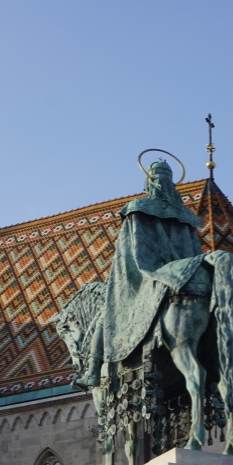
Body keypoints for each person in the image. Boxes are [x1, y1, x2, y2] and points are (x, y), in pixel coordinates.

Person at [75, 158, 205, 388]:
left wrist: (123, 281)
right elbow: (195, 252)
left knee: (106, 316)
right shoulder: (187, 216)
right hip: (186, 274)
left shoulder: (138, 208)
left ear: (149, 181)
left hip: (149, 275)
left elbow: (128, 253)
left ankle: (93, 372)